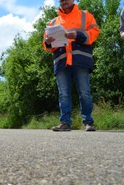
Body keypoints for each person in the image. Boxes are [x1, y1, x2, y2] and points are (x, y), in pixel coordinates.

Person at [43, 0, 100, 131]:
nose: (64, 2)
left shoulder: (85, 15)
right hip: (61, 61)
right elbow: (46, 45)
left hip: (80, 60)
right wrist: (48, 42)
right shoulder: (53, 22)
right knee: (63, 94)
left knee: (84, 92)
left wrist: (77, 35)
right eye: (61, 0)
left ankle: (88, 122)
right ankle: (65, 123)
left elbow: (95, 32)